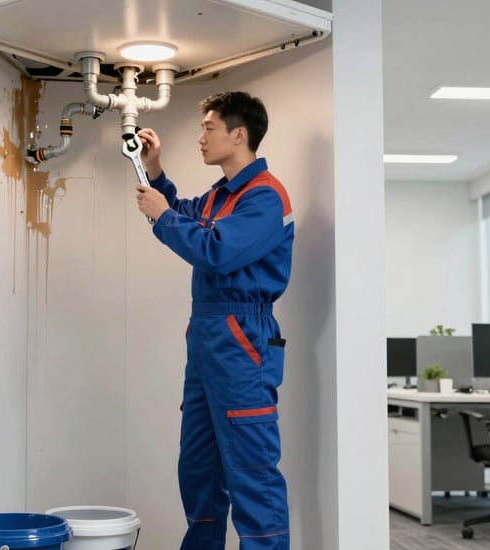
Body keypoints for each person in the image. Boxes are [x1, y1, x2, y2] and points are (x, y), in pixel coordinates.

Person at [135, 91, 293, 550]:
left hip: (243, 341)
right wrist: (153, 171)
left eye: (209, 128)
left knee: (251, 471)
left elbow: (217, 251)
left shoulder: (265, 197)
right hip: (208, 339)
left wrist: (164, 217)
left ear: (238, 134)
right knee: (199, 468)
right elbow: (182, 216)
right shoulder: (222, 196)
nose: (201, 137)